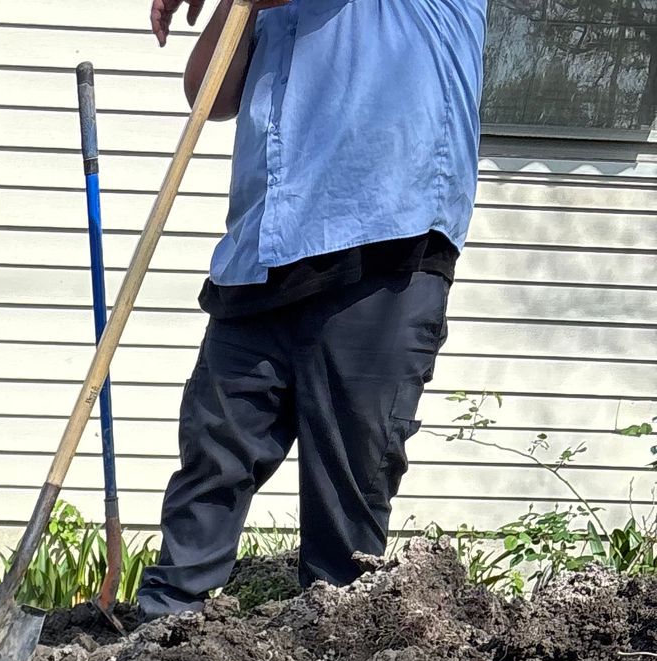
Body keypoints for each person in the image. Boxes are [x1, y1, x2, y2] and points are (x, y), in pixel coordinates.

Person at [134, 0, 488, 618]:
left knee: (347, 489)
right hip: (264, 248)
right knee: (214, 455)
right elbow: (208, 92)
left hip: (379, 243)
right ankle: (157, 637)